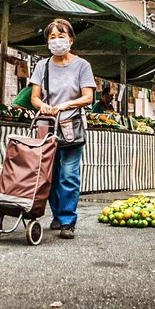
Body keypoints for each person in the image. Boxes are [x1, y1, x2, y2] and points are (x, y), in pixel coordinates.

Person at [30, 19, 95, 240]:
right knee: (50, 175)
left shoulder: (82, 66)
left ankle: (68, 220)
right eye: (52, 37)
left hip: (72, 126)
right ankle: (57, 214)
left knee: (68, 174)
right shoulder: (42, 66)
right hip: (47, 126)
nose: (57, 41)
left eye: (61, 36)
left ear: (71, 39)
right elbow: (34, 98)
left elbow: (88, 97)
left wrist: (66, 105)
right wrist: (44, 106)